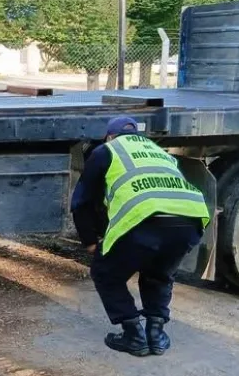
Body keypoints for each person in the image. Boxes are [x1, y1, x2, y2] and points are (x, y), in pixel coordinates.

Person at [71, 116, 210, 357]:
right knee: (159, 273)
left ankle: (133, 334)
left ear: (110, 136)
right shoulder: (159, 152)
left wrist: (90, 242)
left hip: (146, 218)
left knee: (106, 273)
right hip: (191, 219)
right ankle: (156, 334)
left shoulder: (107, 150)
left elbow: (82, 201)